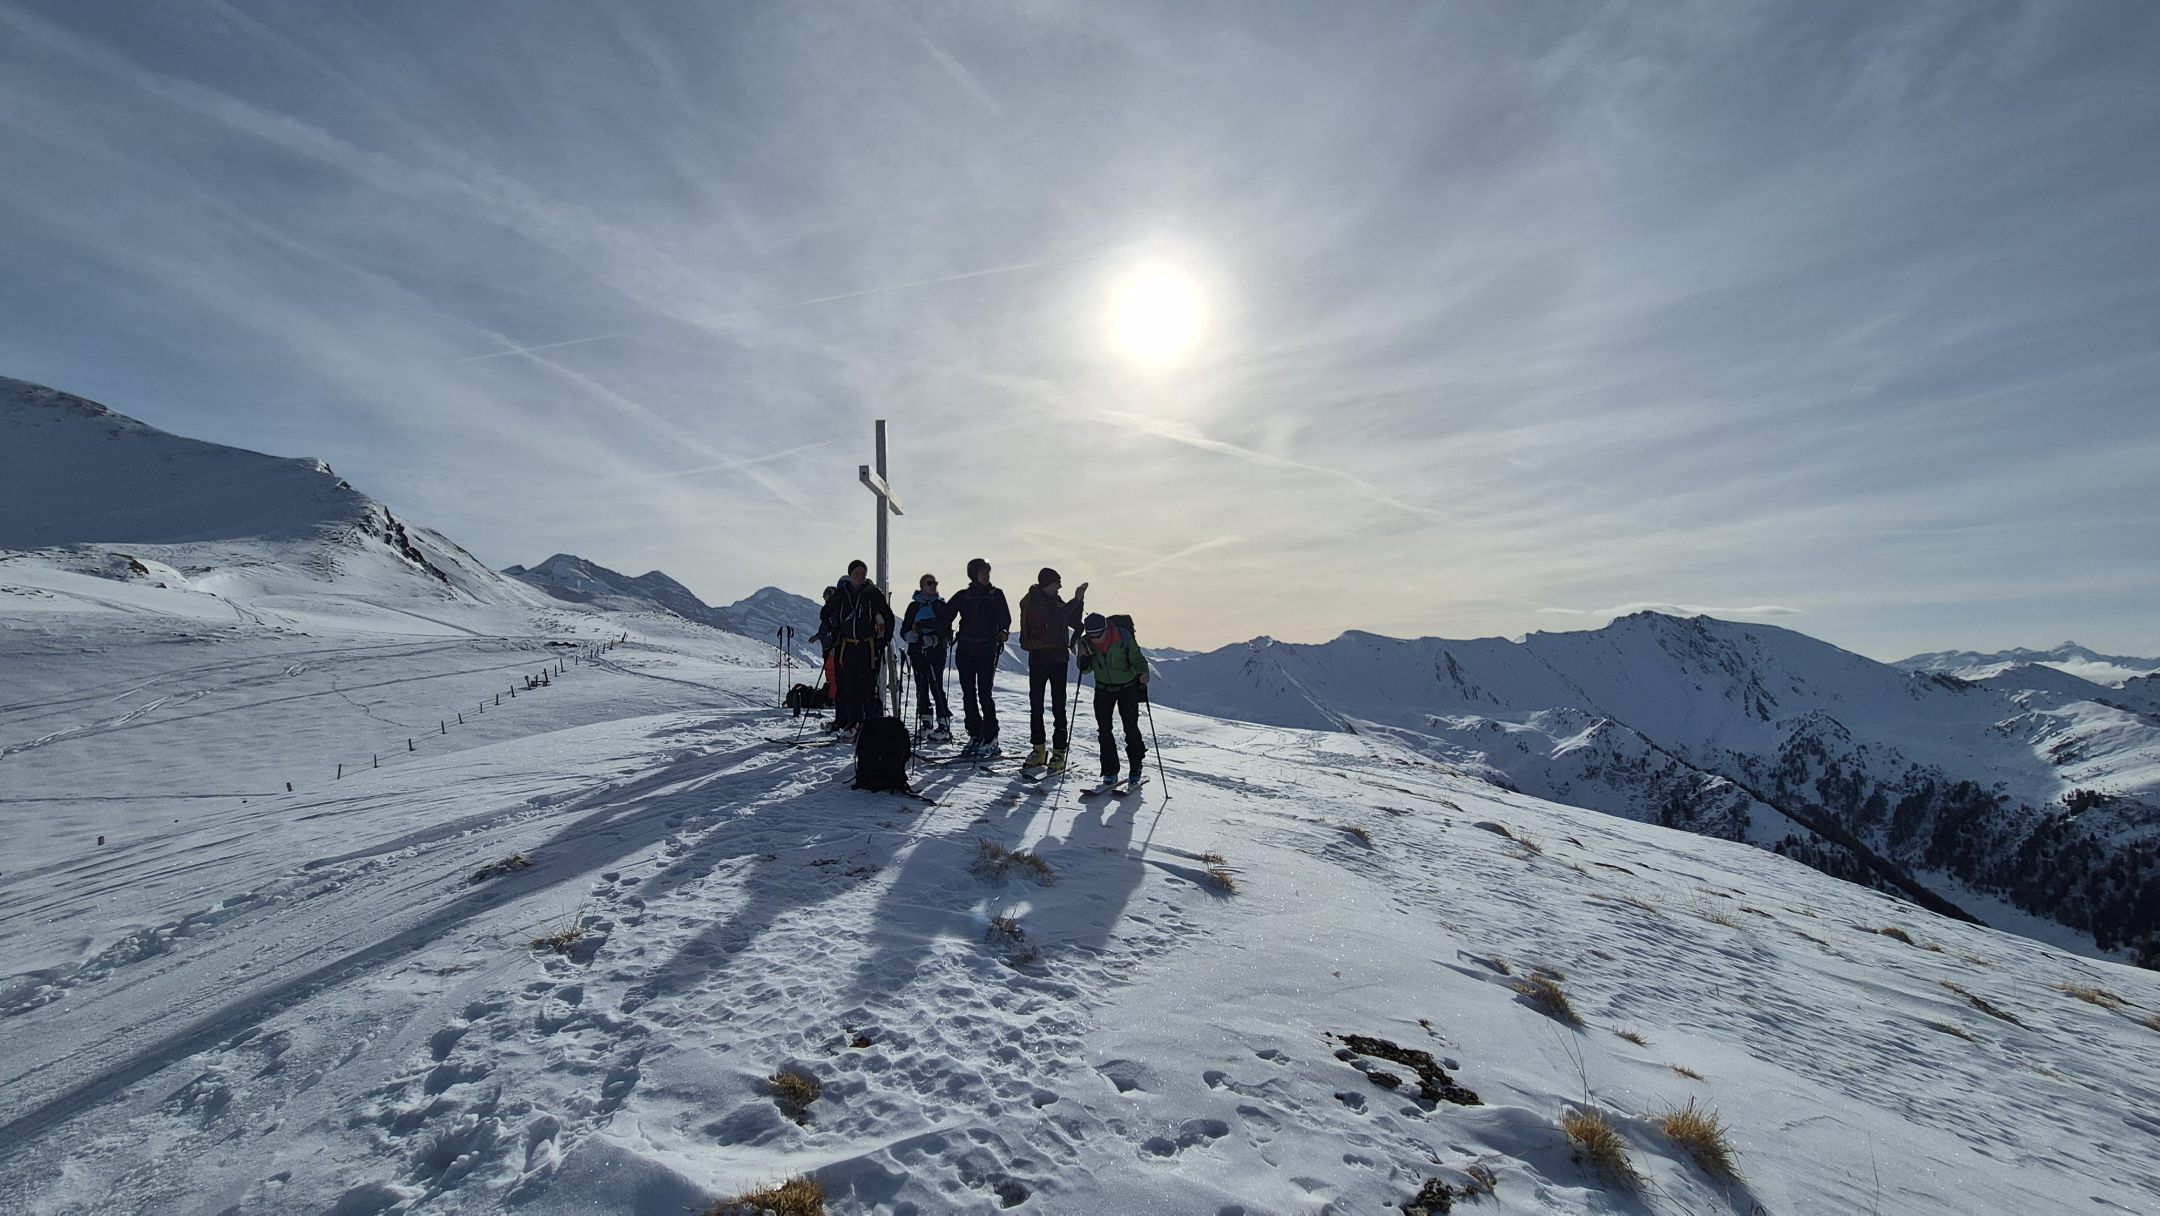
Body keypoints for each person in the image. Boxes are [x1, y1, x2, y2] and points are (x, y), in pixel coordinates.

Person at [1018, 567, 1087, 771]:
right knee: (1037, 704)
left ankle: (1056, 751)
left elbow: (1073, 621)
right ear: (1047, 583)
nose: (1060, 586)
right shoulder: (1034, 602)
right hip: (1043, 657)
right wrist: (1075, 600)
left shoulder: (1055, 602)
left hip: (1054, 658)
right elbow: (1054, 619)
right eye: (1057, 582)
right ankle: (1041, 749)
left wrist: (1079, 602)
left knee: (1057, 705)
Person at [946, 557, 1011, 757]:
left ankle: (990, 736)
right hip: (965, 650)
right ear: (973, 574)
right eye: (982, 572)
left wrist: (1003, 632)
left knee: (984, 694)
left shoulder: (995, 595)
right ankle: (975, 733)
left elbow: (1005, 619)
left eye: (987, 572)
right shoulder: (964, 596)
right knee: (968, 694)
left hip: (985, 649)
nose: (986, 575)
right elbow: (946, 615)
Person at [820, 560, 893, 736]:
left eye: (863, 573)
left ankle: (868, 724)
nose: (860, 576)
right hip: (847, 646)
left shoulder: (872, 593)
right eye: (856, 573)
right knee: (850, 686)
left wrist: (883, 642)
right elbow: (825, 613)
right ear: (850, 574)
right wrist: (834, 630)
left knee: (868, 687)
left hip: (868, 646)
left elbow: (888, 617)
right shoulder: (842, 593)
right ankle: (853, 724)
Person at [1081, 612, 1149, 788]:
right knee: (1104, 730)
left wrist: (1143, 672)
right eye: (1092, 636)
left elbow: (1137, 658)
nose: (1096, 640)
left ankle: (1136, 767)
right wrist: (1084, 657)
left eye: (1098, 635)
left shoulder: (1123, 637)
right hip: (1103, 688)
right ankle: (1110, 771)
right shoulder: (1086, 642)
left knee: (1131, 728)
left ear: (1106, 629)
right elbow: (1085, 670)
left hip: (1128, 687)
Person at [900, 573, 954, 741]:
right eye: (930, 583)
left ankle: (944, 725)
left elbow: (947, 631)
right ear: (922, 585)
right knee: (921, 686)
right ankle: (926, 722)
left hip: (935, 652)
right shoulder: (913, 607)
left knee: (936, 685)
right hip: (917, 650)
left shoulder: (940, 606)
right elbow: (904, 628)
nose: (933, 586)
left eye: (935, 583)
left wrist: (935, 639)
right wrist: (908, 635)